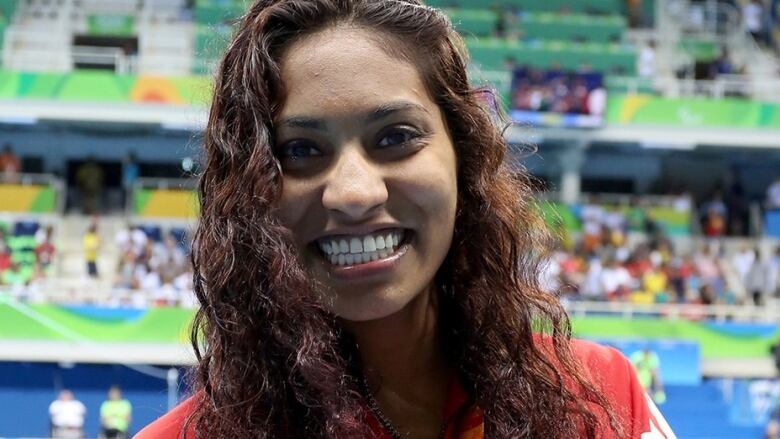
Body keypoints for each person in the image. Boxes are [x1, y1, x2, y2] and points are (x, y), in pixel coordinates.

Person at [136, 1, 676, 438]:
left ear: (464, 158)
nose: (352, 193)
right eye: (299, 151)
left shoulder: (599, 400)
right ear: (249, 193)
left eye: (395, 138)